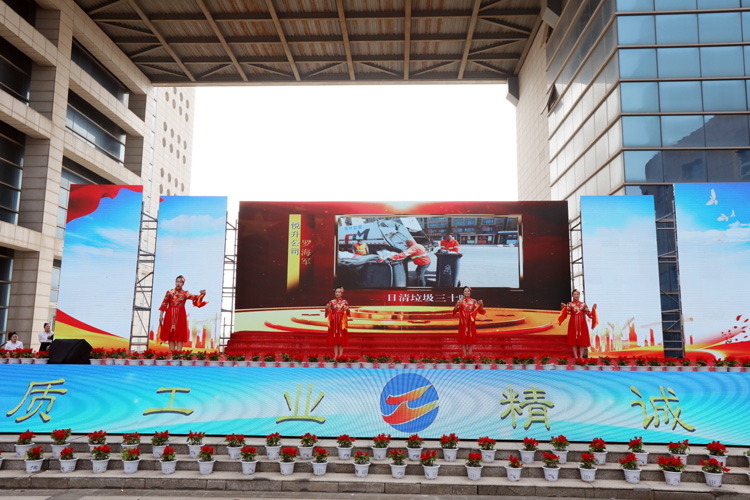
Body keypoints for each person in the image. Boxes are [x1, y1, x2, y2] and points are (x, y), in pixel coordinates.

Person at [158, 275, 207, 354]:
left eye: (180, 282)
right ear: (175, 282)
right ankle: (172, 355)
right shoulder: (169, 292)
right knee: (171, 336)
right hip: (170, 314)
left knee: (180, 335)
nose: (178, 283)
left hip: (180, 315)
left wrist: (201, 294)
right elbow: (164, 304)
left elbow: (194, 297)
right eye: (177, 281)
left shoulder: (185, 293)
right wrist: (161, 315)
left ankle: (178, 355)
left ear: (183, 284)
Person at [558, 289, 597, 359]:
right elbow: (565, 312)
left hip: (582, 324)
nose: (576, 296)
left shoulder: (583, 304)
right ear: (572, 295)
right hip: (573, 324)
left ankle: (581, 357)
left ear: (579, 295)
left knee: (582, 340)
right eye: (575, 294)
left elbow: (589, 313)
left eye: (578, 294)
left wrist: (593, 309)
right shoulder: (570, 304)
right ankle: (576, 357)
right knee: (573, 340)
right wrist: (563, 307)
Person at [453, 286, 485, 356]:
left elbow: (480, 310)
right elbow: (455, 310)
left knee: (471, 337)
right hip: (463, 322)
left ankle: (470, 356)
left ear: (470, 292)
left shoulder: (474, 301)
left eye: (468, 291)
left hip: (471, 322)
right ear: (463, 293)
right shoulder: (460, 301)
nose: (467, 292)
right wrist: (457, 304)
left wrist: (481, 304)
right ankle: (464, 355)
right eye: (465, 291)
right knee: (463, 338)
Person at [325, 287, 350, 358]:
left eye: (339, 292)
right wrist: (326, 309)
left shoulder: (345, 302)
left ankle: (341, 355)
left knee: (341, 338)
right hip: (334, 322)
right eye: (336, 292)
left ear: (342, 293)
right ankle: (336, 355)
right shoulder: (331, 302)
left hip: (342, 322)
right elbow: (328, 312)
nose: (337, 293)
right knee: (335, 338)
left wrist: (347, 310)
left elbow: (348, 313)